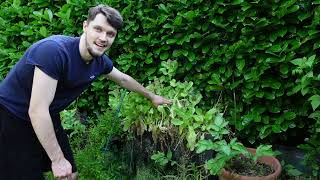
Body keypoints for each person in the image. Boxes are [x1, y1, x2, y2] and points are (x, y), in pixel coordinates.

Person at [0, 4, 171, 180]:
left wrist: (152, 96)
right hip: (11, 117)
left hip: (47, 115)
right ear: (85, 26)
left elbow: (123, 79)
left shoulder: (99, 62)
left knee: (70, 174)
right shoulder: (54, 52)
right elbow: (37, 110)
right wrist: (57, 159)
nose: (103, 38)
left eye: (110, 34)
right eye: (98, 29)